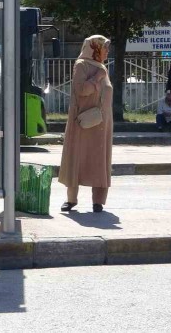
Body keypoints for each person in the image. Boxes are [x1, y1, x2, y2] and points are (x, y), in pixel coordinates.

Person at [59, 35, 112, 213]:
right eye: (104, 48)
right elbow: (81, 90)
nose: (107, 51)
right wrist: (97, 78)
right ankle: (71, 199)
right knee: (77, 158)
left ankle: (98, 201)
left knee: (99, 161)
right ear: (95, 48)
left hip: (101, 124)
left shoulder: (102, 67)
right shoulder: (81, 65)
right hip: (83, 123)